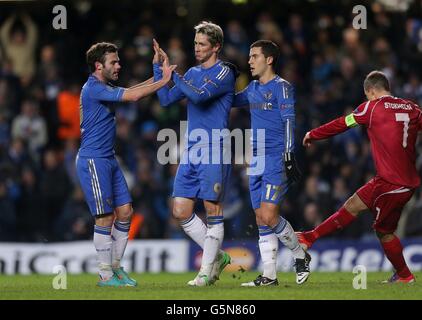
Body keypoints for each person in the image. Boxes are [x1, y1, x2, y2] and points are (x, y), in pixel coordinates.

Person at [297, 70, 421, 283]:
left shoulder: (371, 107)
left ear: (371, 91)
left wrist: (312, 134)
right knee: (353, 205)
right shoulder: (412, 108)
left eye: (366, 95)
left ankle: (405, 276)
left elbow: (341, 124)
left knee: (384, 232)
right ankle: (310, 237)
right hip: (395, 180)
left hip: (392, 183)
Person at [76, 42, 175, 287]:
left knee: (126, 212)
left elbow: (133, 89)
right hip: (93, 160)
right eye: (114, 62)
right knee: (104, 218)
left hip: (108, 158)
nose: (119, 65)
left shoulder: (104, 86)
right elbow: (133, 96)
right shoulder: (92, 88)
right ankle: (105, 275)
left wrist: (158, 73)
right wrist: (163, 82)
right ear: (99, 66)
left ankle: (116, 267)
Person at [153, 21, 237, 286]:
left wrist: (175, 76)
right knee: (180, 209)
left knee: (213, 209)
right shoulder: (191, 72)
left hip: (214, 147)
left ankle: (204, 272)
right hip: (192, 150)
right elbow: (166, 99)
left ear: (216, 46)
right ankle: (219, 257)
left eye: (202, 44)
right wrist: (159, 69)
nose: (197, 48)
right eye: (196, 44)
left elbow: (200, 97)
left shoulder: (225, 73)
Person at [232, 40, 311, 286]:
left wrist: (288, 154)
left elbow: (289, 121)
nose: (249, 61)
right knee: (259, 217)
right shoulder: (252, 88)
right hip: (255, 159)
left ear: (269, 59)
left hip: (276, 157)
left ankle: (300, 254)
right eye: (249, 56)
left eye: (254, 56)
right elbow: (230, 101)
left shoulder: (282, 88)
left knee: (268, 214)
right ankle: (269, 276)